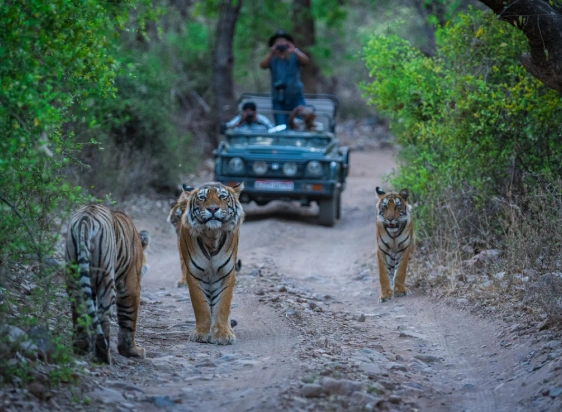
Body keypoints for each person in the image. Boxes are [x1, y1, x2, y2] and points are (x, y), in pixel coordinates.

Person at [259, 30, 310, 126]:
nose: (281, 44)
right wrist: (271, 53)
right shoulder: (272, 59)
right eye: (278, 42)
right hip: (278, 99)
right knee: (281, 126)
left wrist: (294, 50)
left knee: (300, 124)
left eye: (283, 41)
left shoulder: (294, 57)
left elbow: (306, 61)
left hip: (296, 98)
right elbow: (262, 65)